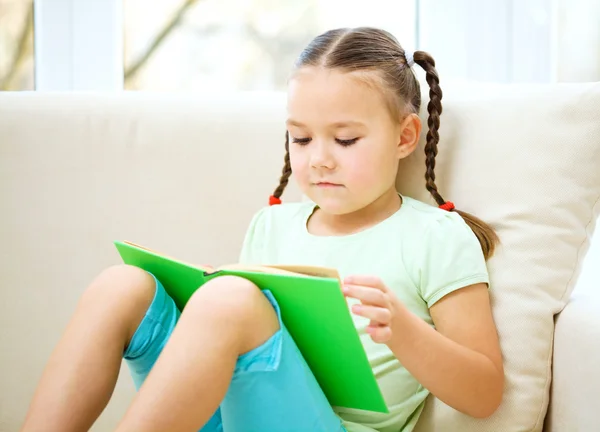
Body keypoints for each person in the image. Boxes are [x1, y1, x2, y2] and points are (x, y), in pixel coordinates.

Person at [20, 27, 503, 432]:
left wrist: (404, 333)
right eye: (301, 137)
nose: (319, 158)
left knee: (230, 299)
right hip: (236, 414)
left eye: (346, 139)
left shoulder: (437, 236)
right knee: (121, 286)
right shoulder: (272, 224)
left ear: (404, 137)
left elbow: (483, 394)